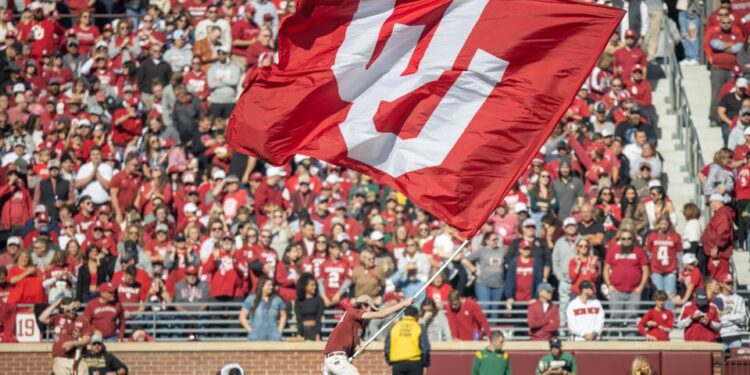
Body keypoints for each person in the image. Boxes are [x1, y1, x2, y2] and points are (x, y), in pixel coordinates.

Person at [322, 295, 415, 375]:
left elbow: (356, 348)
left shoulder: (357, 325)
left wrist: (359, 349)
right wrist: (403, 304)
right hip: (336, 359)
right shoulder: (352, 312)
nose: (371, 311)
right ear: (363, 305)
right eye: (371, 308)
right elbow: (381, 314)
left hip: (337, 360)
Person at [39, 297, 92, 375]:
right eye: (68, 310)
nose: (71, 312)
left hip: (78, 358)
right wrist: (56, 304)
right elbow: (42, 318)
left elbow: (87, 339)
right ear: (63, 311)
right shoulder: (57, 318)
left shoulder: (82, 320)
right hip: (61, 358)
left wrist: (73, 343)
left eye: (73, 309)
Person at [384, 305, 430, 375]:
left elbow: (387, 345)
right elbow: (425, 347)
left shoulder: (395, 327)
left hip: (398, 363)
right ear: (416, 316)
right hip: (415, 363)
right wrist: (425, 363)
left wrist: (389, 361)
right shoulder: (419, 327)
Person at [716, 274, 747, 350]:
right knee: (720, 361)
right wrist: (734, 319)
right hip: (721, 335)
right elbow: (717, 320)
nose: (730, 285)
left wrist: (725, 317)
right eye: (728, 283)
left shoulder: (739, 299)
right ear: (721, 284)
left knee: (735, 360)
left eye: (731, 283)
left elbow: (742, 318)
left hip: (735, 335)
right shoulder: (716, 299)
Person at [294, 272, 324, 341]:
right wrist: (299, 334)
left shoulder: (319, 300)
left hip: (315, 332)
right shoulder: (298, 301)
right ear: (305, 286)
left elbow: (318, 319)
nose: (314, 287)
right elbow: (299, 319)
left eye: (315, 285)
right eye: (312, 285)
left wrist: (317, 334)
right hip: (303, 332)